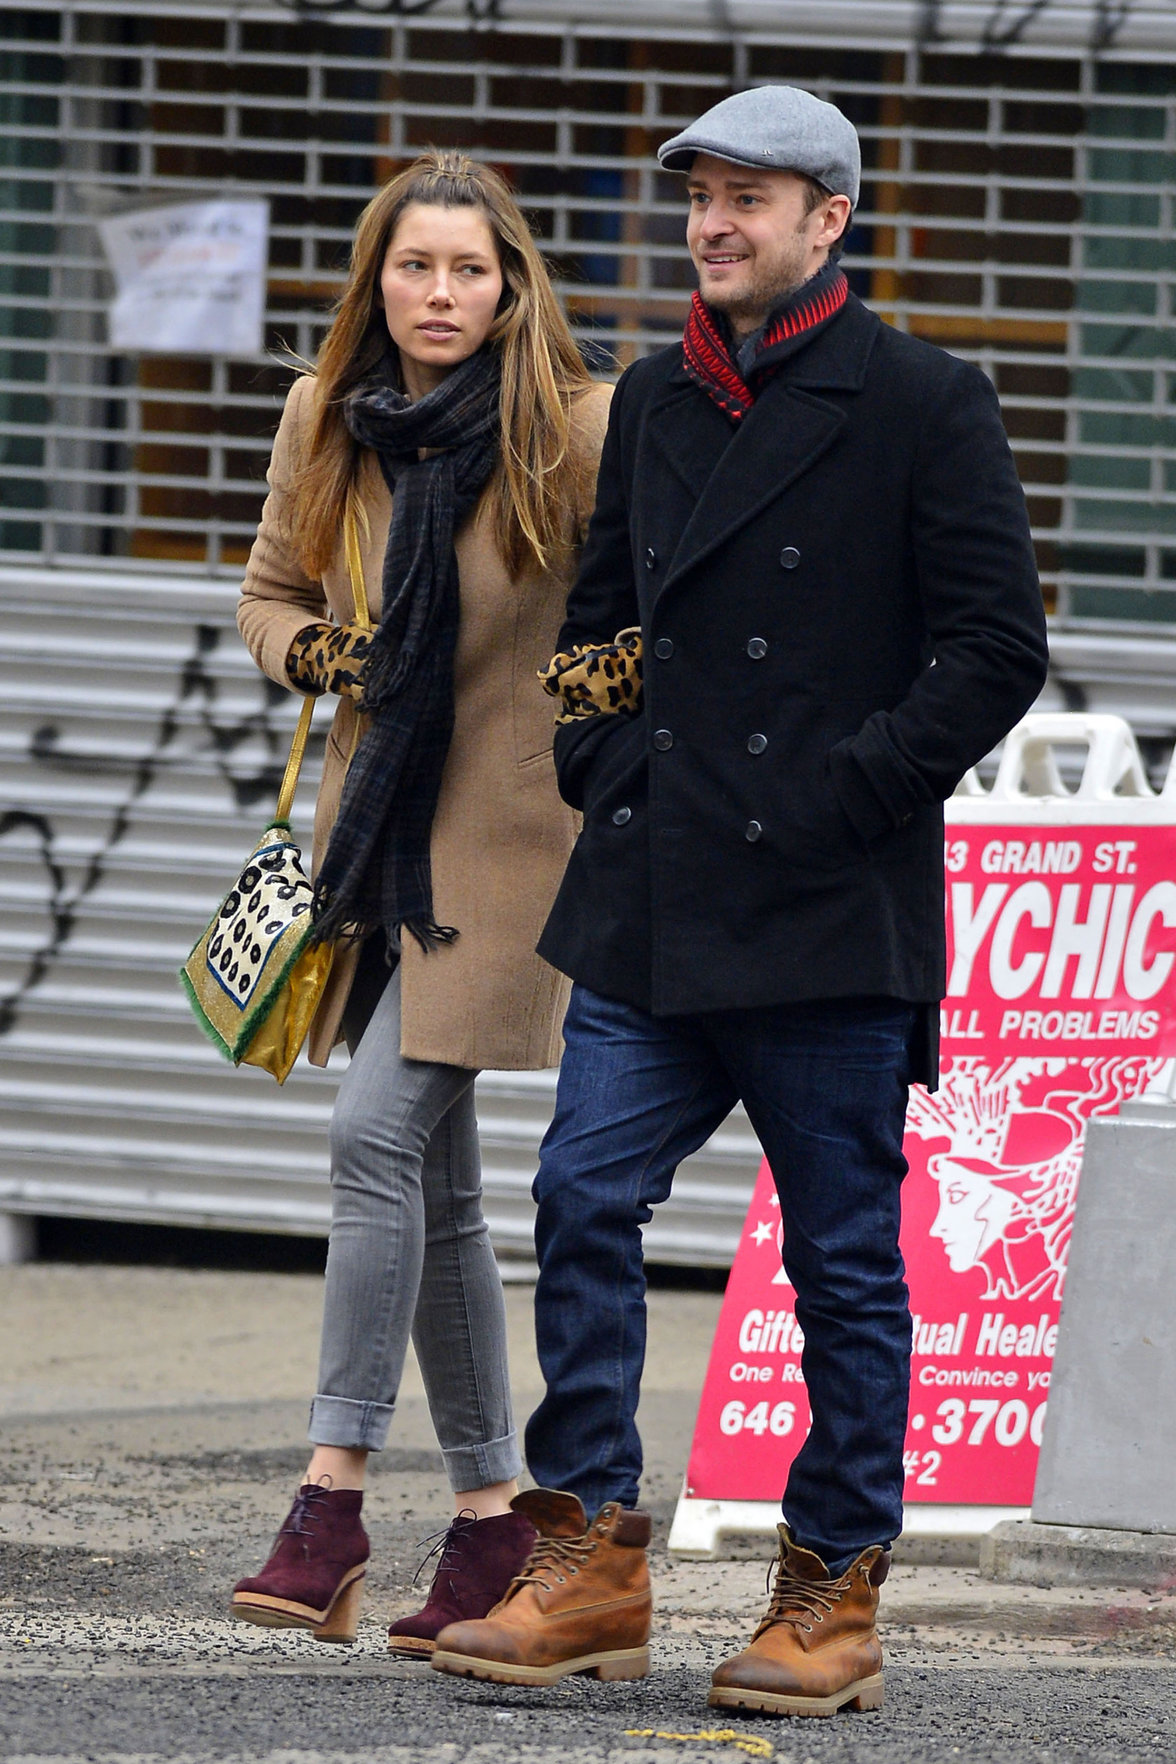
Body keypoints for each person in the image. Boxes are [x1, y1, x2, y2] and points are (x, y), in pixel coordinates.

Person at [430, 87, 1049, 1714]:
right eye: (701, 195)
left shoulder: (924, 398)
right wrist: (601, 761)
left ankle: (830, 1595)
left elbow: (995, 651)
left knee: (846, 1261)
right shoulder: (651, 396)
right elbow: (608, 621)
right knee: (579, 1198)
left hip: (831, 913)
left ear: (828, 221)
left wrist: (842, 792)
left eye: (749, 198)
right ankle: (592, 1556)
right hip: (654, 893)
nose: (714, 223)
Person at [229, 151, 611, 1653]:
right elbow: (270, 593)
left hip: (513, 850)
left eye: (468, 268)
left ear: (511, 284)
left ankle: (330, 1495)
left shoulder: (572, 427)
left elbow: (638, 603)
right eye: (413, 265)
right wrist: (327, 657)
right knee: (439, 1195)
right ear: (376, 278)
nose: (439, 293)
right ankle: (489, 1523)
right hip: (377, 842)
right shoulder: (331, 420)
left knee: (370, 1134)